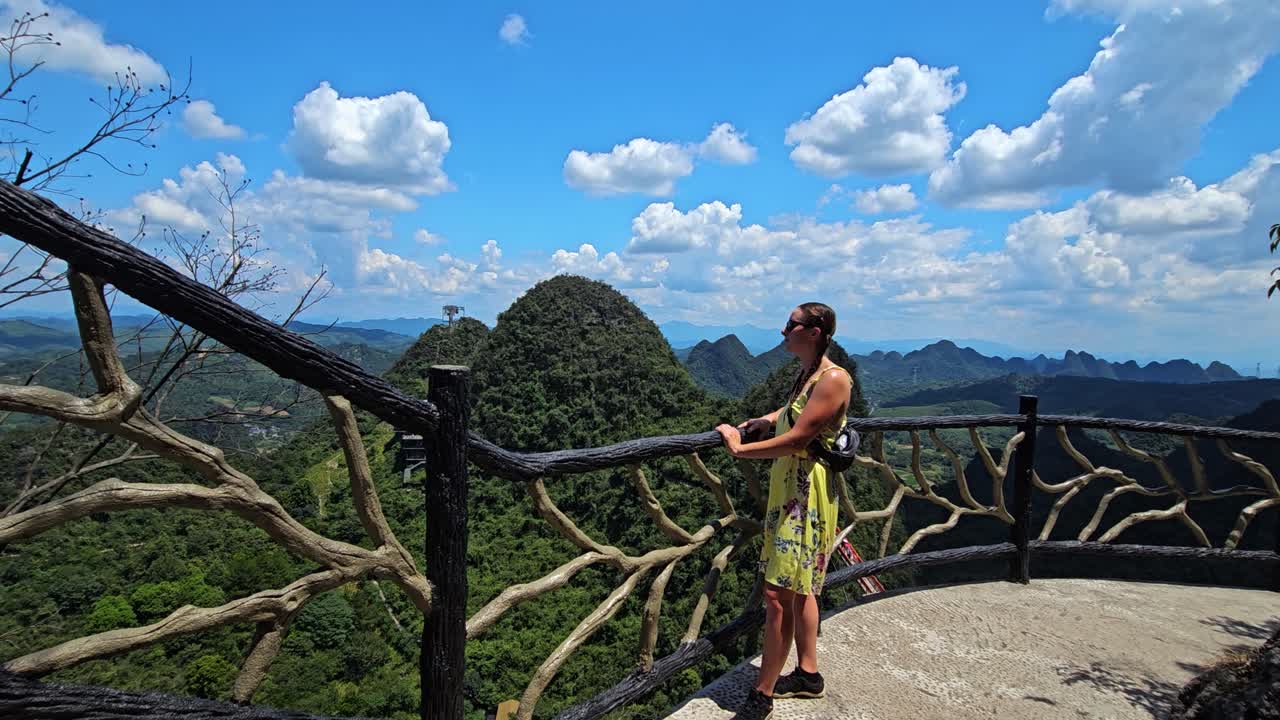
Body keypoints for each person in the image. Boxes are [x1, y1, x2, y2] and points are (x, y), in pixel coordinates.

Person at [715, 302, 852, 720]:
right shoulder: (810, 374)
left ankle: (763, 693)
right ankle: (808, 675)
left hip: (803, 498)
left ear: (813, 331)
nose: (782, 330)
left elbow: (797, 440)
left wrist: (739, 447)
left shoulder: (833, 379)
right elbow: (795, 414)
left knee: (777, 596)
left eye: (790, 324)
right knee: (803, 588)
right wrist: (765, 418)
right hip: (793, 492)